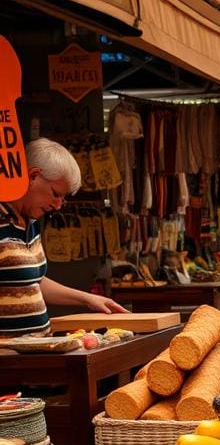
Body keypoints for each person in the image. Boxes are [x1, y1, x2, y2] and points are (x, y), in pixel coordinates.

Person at [0, 138, 126, 337]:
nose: (58, 206)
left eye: (63, 198)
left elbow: (33, 282)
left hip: (35, 351)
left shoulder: (30, 221)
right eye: (55, 193)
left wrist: (88, 299)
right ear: (33, 176)